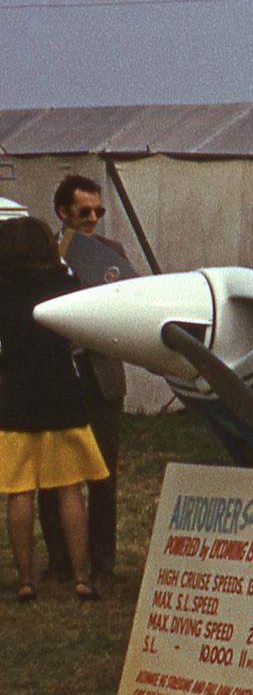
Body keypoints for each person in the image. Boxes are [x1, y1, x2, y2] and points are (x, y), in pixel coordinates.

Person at [0, 217, 107, 601]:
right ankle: (82, 577)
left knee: (20, 494)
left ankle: (27, 581)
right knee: (69, 491)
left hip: (14, 399)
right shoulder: (65, 285)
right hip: (62, 396)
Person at [42, 174, 124, 578]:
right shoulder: (42, 255)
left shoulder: (113, 253)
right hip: (55, 378)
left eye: (98, 211)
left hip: (102, 377)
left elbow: (132, 307)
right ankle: (60, 560)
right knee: (54, 473)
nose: (93, 218)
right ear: (63, 213)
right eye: (84, 211)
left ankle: (103, 561)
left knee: (104, 473)